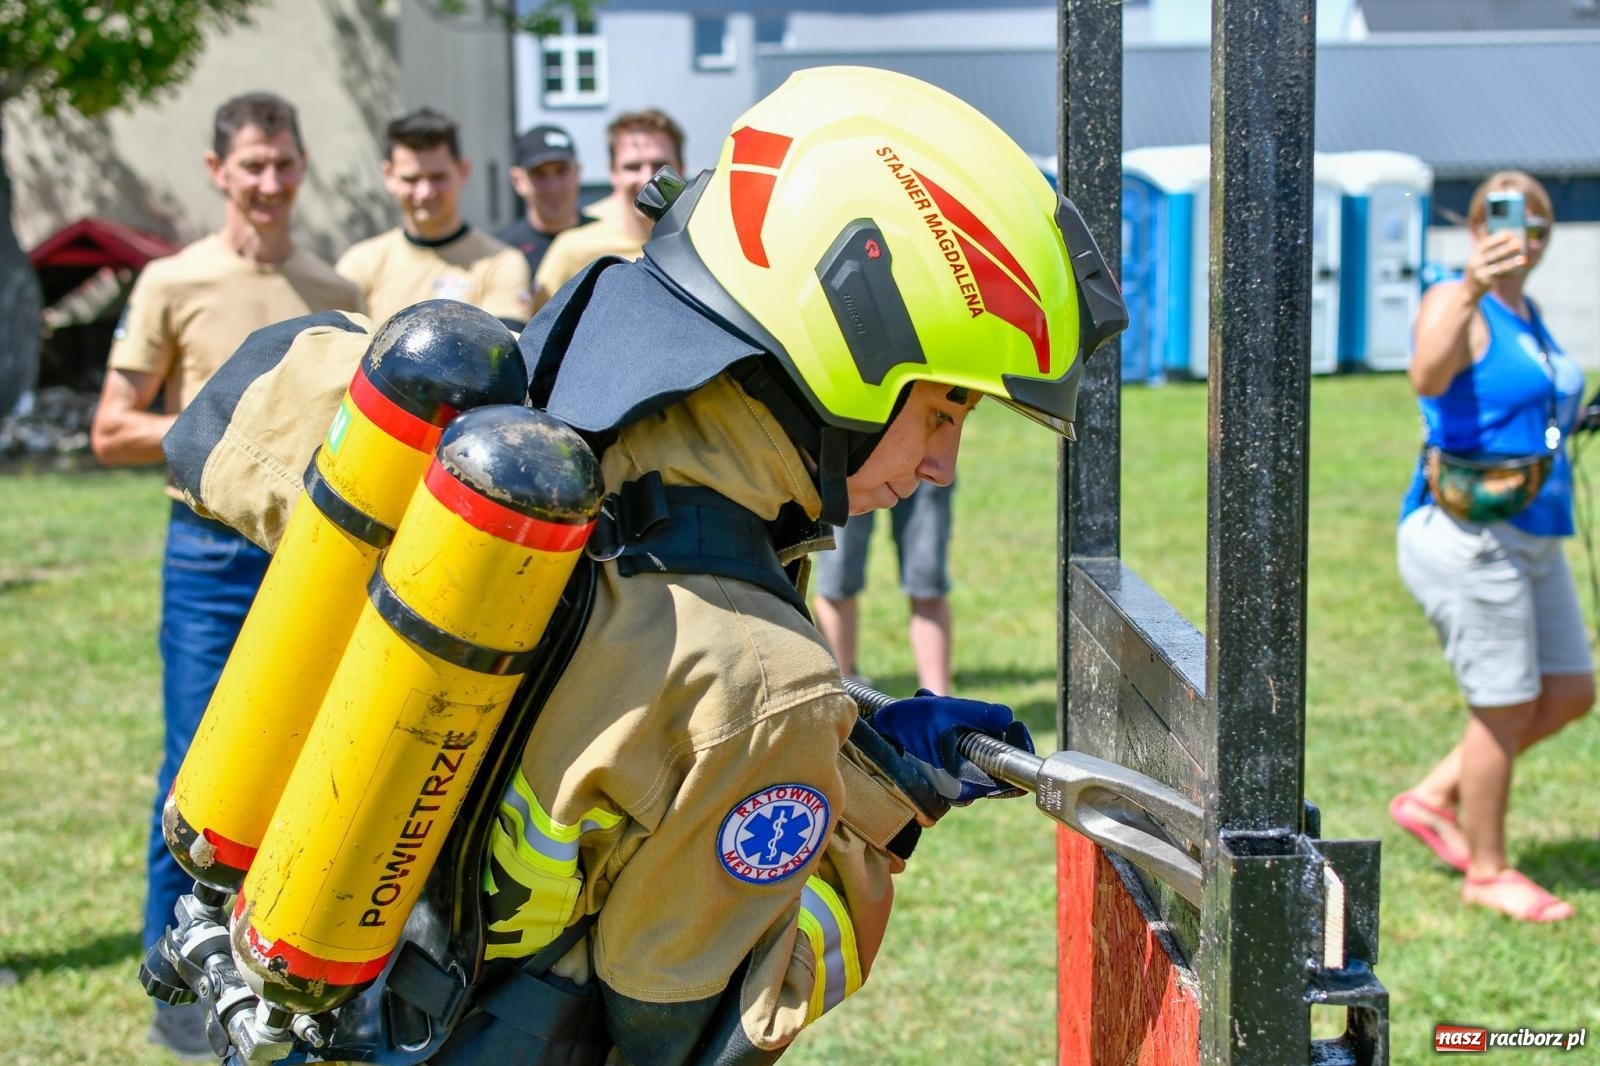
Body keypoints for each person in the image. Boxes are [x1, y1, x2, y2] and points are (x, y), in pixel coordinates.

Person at [158, 66, 1126, 1062]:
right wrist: (875, 800)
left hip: (313, 993)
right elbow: (701, 1027)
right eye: (945, 407)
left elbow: (228, 414)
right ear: (852, 346)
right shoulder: (761, 679)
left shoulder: (505, 442)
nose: (941, 461)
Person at [87, 91, 361, 1057]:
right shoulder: (172, 279)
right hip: (208, 553)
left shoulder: (334, 283)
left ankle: (270, 973)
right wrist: (235, 430)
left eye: (284, 162)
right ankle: (175, 979)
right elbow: (112, 429)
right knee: (197, 769)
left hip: (312, 558)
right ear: (218, 171)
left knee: (305, 770)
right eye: (252, 164)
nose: (271, 182)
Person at [1390, 171, 1592, 923]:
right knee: (1504, 707)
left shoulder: (1528, 310)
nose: (1524, 237)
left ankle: (1435, 796)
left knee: (1570, 693)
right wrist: (1471, 286)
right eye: (1505, 221)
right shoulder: (1457, 295)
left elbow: (1526, 404)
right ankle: (1488, 870)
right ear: (1476, 230)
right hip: (1471, 535)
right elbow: (1428, 373)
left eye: (1537, 224)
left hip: (1533, 528)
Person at [338, 107, 533, 328]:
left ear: (463, 171)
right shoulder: (359, 263)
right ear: (389, 176)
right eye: (411, 179)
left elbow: (501, 352)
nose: (425, 192)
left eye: (437, 177)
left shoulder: (501, 262)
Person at [530, 107, 685, 311]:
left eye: (659, 165)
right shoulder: (573, 249)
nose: (647, 177)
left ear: (681, 168)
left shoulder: (705, 245)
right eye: (632, 167)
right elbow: (538, 331)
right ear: (613, 172)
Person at [813, 482, 957, 693]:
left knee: (928, 586)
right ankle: (839, 696)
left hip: (921, 460)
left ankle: (938, 705)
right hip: (844, 464)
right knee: (837, 582)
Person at [495, 123, 586, 279]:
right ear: (518, 181)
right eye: (539, 174)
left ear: (577, 173)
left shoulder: (605, 239)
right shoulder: (500, 251)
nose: (553, 187)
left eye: (561, 171)